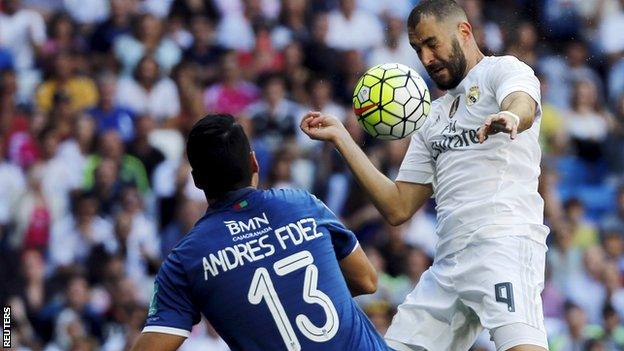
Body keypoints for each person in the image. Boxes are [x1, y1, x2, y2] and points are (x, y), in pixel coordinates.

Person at [300, 1, 549, 350]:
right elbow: (397, 207)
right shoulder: (430, 116)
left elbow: (521, 101)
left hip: (503, 243)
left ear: (464, 32)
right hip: (447, 263)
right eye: (418, 49)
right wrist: (343, 138)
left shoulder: (503, 71)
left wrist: (511, 117)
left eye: (432, 43)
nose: (427, 58)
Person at [130, 114, 390, 351]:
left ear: (197, 180)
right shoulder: (302, 204)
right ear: (254, 162)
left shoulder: (185, 259)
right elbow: (366, 280)